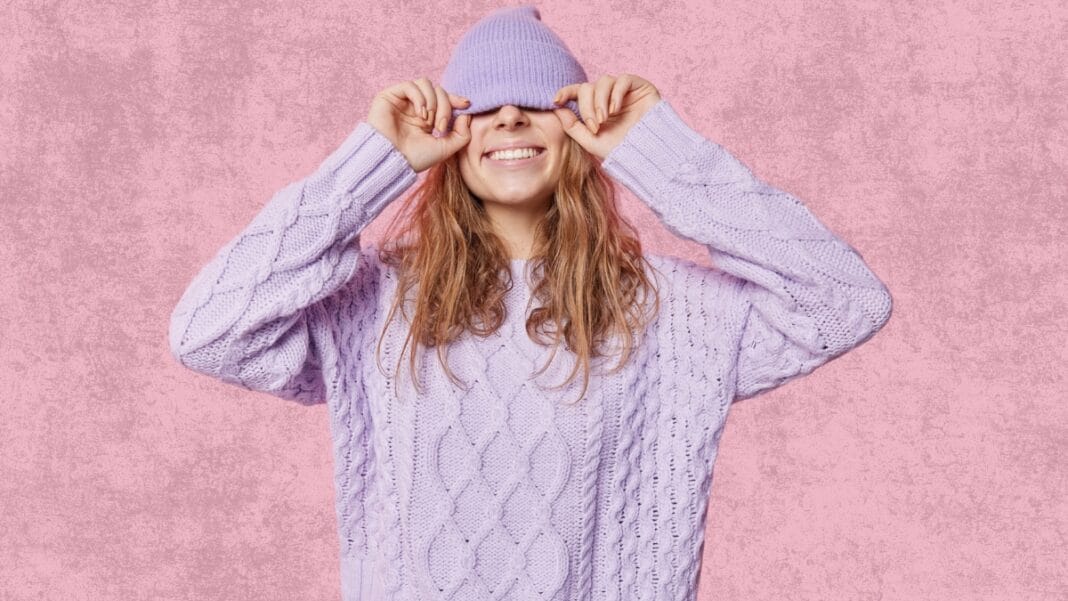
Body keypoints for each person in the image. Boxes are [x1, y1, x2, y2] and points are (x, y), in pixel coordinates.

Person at [168, 5, 893, 601]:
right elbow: (209, 333)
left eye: (537, 102)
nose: (510, 117)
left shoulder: (672, 314)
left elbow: (843, 299)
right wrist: (369, 164)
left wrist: (660, 152)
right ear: (450, 136)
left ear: (577, 131)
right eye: (482, 106)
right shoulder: (374, 304)